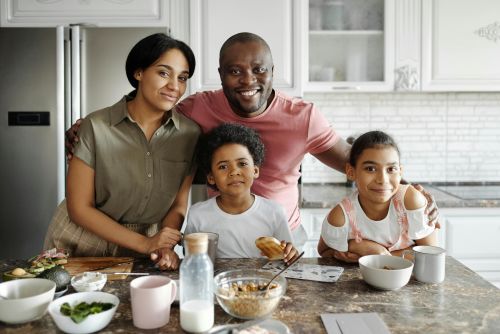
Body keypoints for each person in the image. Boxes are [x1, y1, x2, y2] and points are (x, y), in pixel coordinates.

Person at [65, 32, 438, 263]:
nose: (248, 80)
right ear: (220, 73)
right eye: (235, 71)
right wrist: (90, 126)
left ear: (273, 71)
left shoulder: (303, 117)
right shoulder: (196, 109)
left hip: (281, 239)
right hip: (219, 240)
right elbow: (148, 108)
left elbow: (356, 163)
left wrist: (408, 188)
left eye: (259, 69)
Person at [44, 33, 200, 270]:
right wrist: (146, 244)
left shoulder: (190, 135)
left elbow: (178, 205)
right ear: (139, 73)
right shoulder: (95, 126)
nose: (174, 86)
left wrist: (163, 244)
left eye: (182, 77)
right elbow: (79, 207)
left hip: (146, 244)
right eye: (163, 73)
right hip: (79, 238)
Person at [184, 123, 298, 263]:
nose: (234, 171)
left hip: (263, 283)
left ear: (255, 171)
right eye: (223, 166)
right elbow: (191, 258)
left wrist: (290, 253)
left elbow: (286, 257)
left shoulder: (274, 212)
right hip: (218, 283)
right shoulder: (198, 214)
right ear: (211, 177)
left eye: (242, 164)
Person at [317, 131, 438, 261]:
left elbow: (430, 255)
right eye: (370, 169)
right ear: (351, 172)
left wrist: (375, 254)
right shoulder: (341, 216)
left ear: (400, 172)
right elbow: (324, 251)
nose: (382, 179)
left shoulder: (411, 201)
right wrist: (354, 246)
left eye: (391, 169)